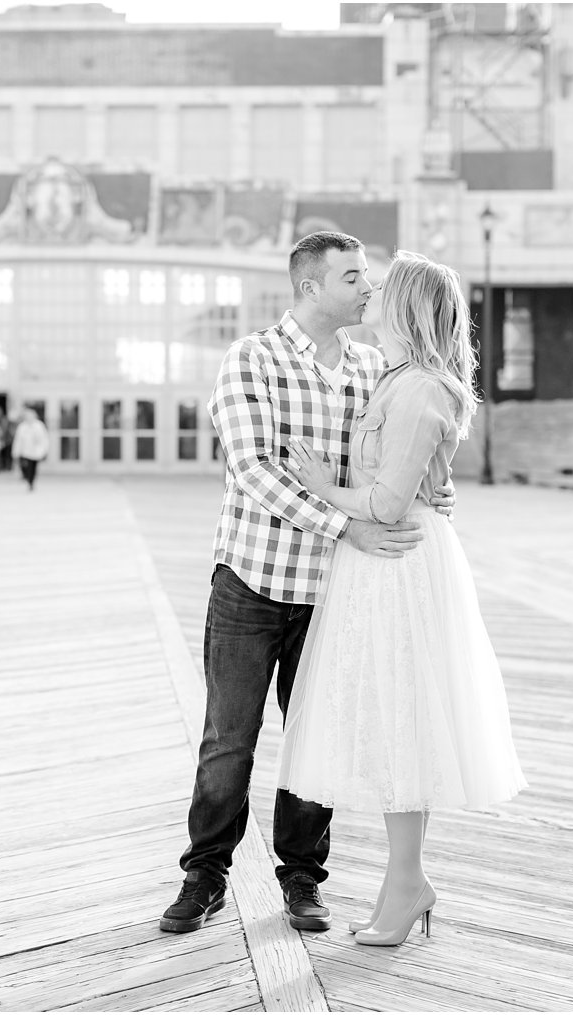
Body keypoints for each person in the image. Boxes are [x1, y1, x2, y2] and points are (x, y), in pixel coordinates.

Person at [158, 231, 455, 936]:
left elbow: (394, 458)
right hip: (252, 580)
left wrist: (427, 498)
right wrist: (343, 524)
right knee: (229, 738)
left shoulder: (372, 368)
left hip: (331, 591)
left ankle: (302, 878)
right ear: (311, 286)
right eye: (353, 277)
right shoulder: (251, 360)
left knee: (315, 737)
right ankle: (205, 875)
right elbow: (255, 470)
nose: (367, 289)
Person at [280, 251, 526, 946]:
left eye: (382, 287)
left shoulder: (420, 388)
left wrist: (324, 486)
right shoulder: (398, 377)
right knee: (396, 726)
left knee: (403, 726)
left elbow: (387, 504)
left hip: (400, 563)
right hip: (389, 564)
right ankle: (404, 881)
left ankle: (408, 879)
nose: (371, 293)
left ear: (410, 304)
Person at [11, 408, 50, 492]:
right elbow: (18, 440)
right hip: (25, 451)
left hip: (36, 451)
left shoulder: (39, 426)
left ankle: (31, 482)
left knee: (33, 467)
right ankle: (27, 478)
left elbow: (44, 439)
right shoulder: (22, 426)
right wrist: (16, 451)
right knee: (25, 467)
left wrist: (44, 450)